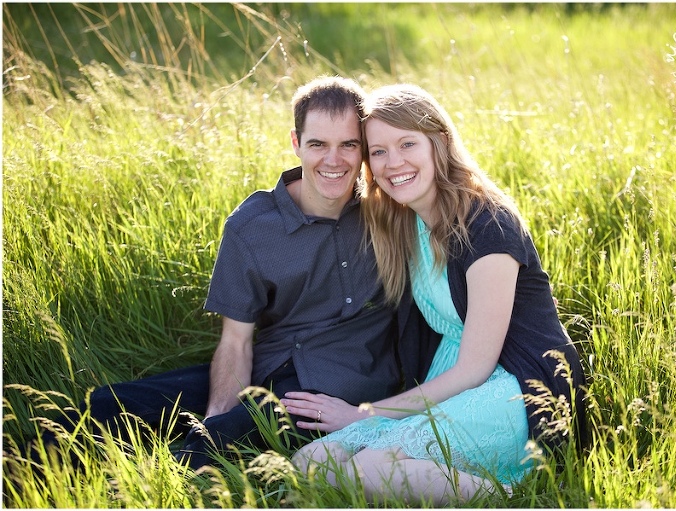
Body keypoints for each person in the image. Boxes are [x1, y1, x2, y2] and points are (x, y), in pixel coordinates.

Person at [33, 76, 438, 471]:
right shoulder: (252, 227)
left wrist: (214, 431)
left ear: (363, 149)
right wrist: (215, 412)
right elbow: (237, 341)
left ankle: (157, 490)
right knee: (109, 406)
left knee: (211, 446)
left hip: (337, 384)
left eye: (348, 145)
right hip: (271, 363)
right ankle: (19, 474)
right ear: (296, 143)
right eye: (318, 144)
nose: (334, 161)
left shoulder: (389, 209)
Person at [283, 84, 587, 505]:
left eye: (407, 143)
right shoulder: (406, 222)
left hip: (515, 387)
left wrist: (364, 415)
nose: (394, 163)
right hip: (453, 381)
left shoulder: (488, 225)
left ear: (439, 143)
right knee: (311, 463)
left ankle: (510, 497)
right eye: (379, 151)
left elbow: (475, 368)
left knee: (369, 468)